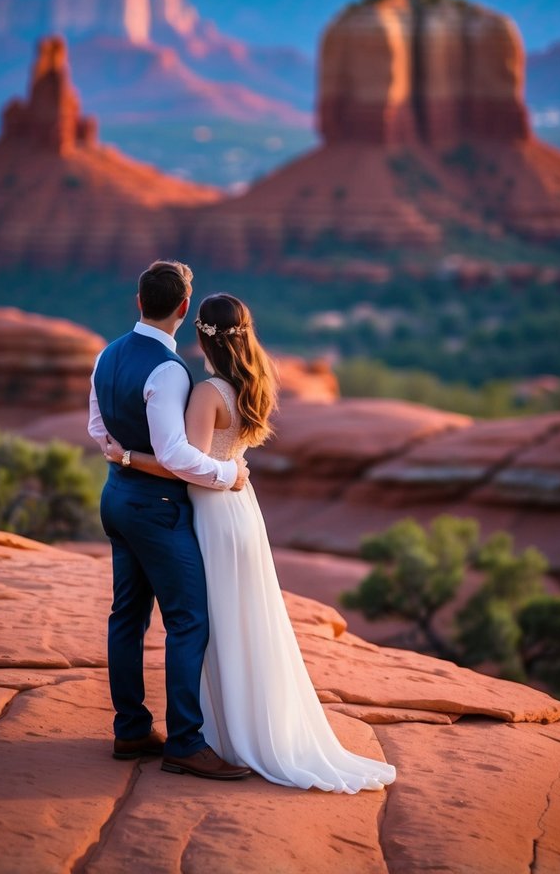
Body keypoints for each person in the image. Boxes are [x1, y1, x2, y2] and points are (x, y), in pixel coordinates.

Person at [103, 291, 396, 794]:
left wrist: (124, 455)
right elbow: (215, 460)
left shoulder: (205, 393)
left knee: (202, 621)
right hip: (241, 512)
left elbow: (182, 465)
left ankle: (210, 734)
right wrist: (231, 472)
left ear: (200, 334)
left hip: (213, 514)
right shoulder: (249, 384)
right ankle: (237, 726)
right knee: (242, 619)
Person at [88, 259, 251, 780]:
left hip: (116, 498)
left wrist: (122, 456)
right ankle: (184, 741)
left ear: (140, 301)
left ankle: (131, 729)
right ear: (183, 308)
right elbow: (178, 456)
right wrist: (229, 475)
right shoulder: (170, 371)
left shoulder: (107, 354)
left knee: (127, 616)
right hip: (156, 510)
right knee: (187, 620)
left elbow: (97, 427)